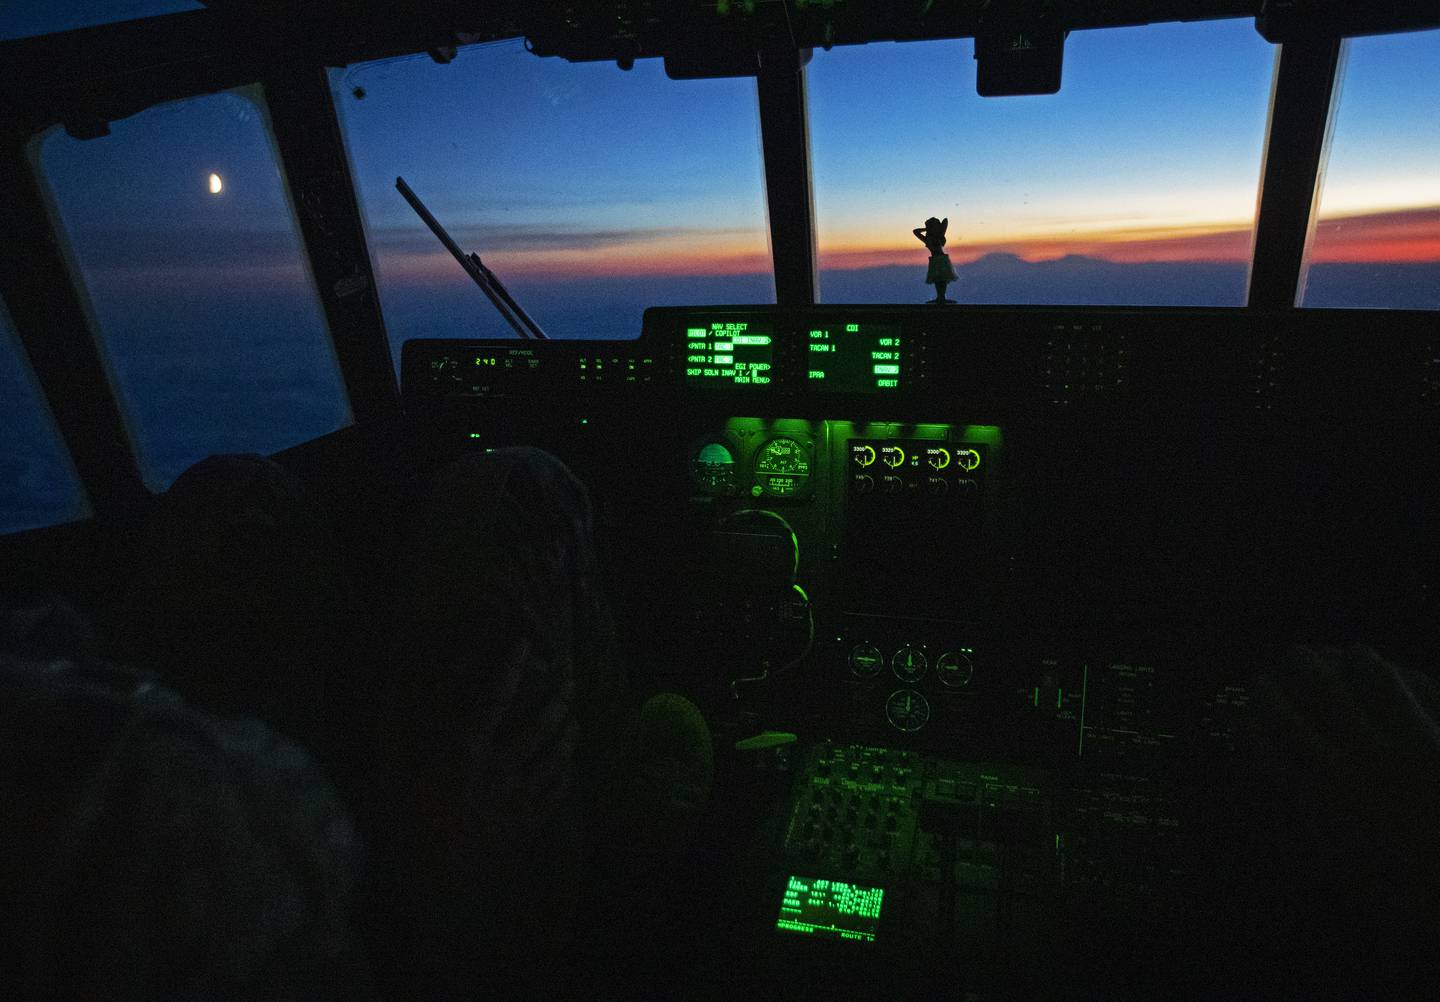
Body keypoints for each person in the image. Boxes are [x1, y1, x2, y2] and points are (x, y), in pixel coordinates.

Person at [913, 215, 958, 303]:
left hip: (941, 259)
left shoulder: (938, 237)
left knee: (942, 278)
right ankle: (940, 297)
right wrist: (927, 229)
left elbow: (945, 221)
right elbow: (915, 231)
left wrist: (932, 229)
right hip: (935, 259)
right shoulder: (929, 238)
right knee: (938, 279)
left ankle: (942, 297)